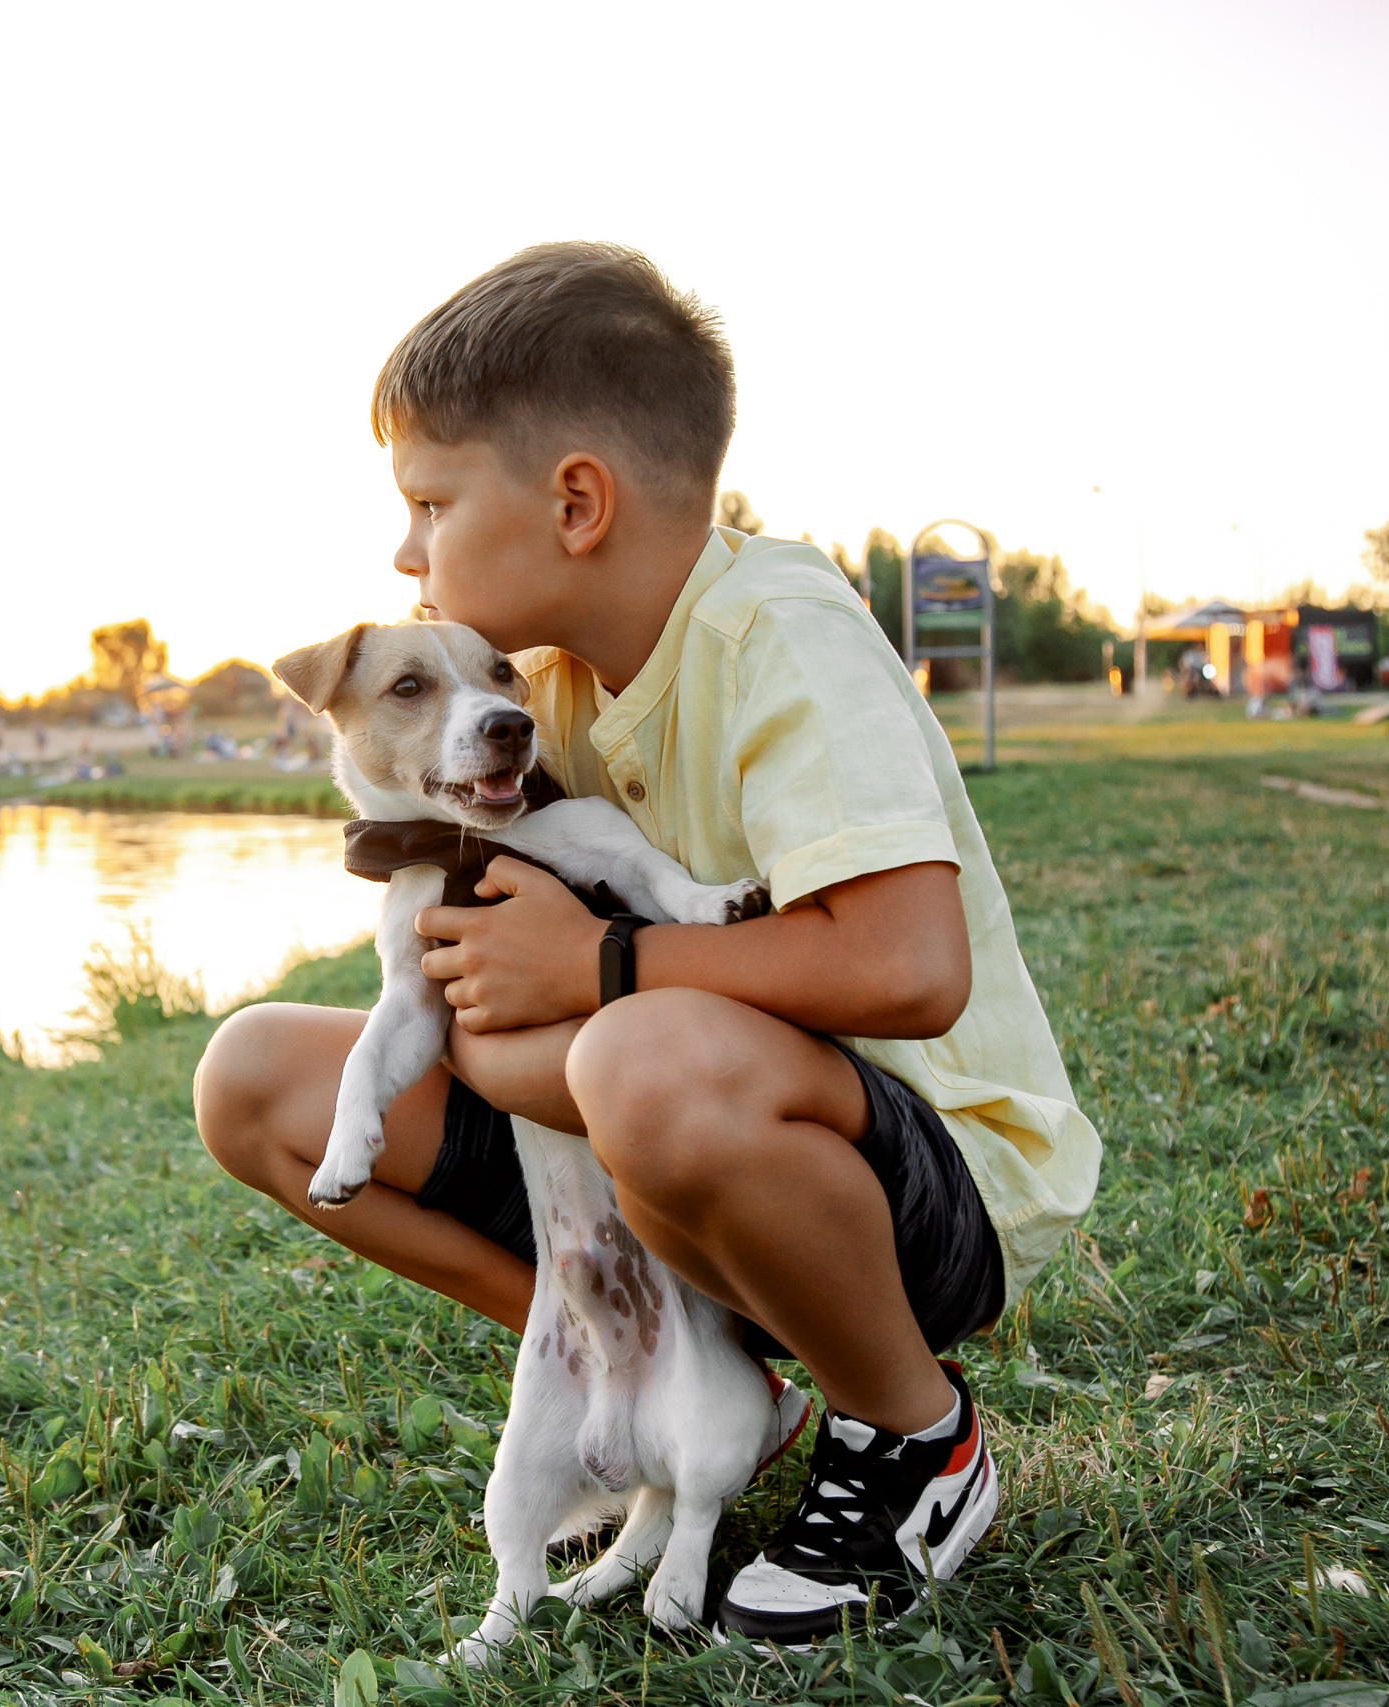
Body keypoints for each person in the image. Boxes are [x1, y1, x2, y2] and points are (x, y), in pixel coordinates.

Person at [193, 243, 1098, 1643]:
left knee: (643, 1057)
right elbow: (479, 960)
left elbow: (911, 969)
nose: (405, 552)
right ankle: (665, 1395)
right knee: (258, 1074)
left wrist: (602, 971)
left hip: (918, 1185)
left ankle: (910, 1431)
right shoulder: (532, 684)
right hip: (657, 1148)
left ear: (575, 502)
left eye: (429, 503)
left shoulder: (777, 634)